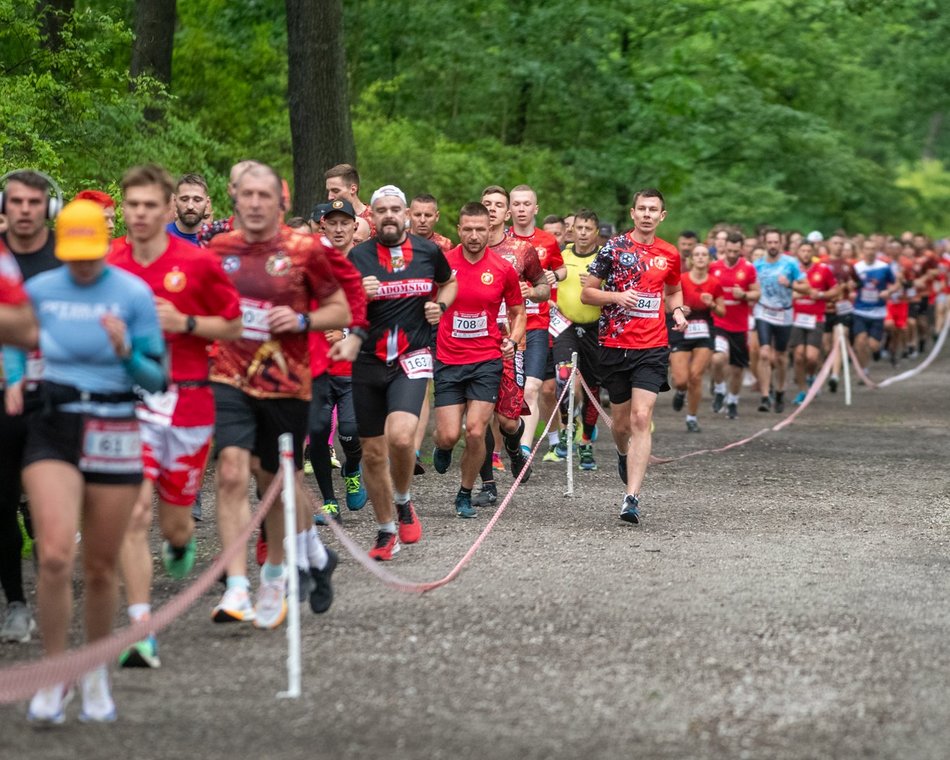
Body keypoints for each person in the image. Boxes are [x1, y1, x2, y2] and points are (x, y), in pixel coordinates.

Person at [13, 199, 165, 723]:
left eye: (90, 253)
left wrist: (125, 352)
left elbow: (156, 378)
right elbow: (12, 341)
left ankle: (95, 672)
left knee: (100, 566)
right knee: (54, 554)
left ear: (105, 244)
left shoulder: (132, 294)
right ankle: (55, 675)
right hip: (53, 423)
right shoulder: (39, 290)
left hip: (114, 426)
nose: (81, 264)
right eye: (72, 253)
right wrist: (14, 377)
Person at [108, 165, 242, 668]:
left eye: (149, 205)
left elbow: (231, 325)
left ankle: (180, 542)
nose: (140, 214)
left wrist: (184, 321)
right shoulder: (109, 263)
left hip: (188, 401)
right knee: (134, 511)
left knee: (176, 526)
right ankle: (141, 629)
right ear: (124, 207)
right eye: (132, 205)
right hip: (131, 402)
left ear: (167, 208)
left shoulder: (198, 262)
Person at [208, 163, 351, 628]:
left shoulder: (304, 251)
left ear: (280, 202)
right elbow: (205, 306)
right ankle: (236, 587)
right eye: (246, 195)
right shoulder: (219, 249)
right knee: (230, 472)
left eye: (263, 195)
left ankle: (275, 574)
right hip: (228, 377)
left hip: (285, 382)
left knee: (274, 484)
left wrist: (304, 320)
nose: (253, 203)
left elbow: (340, 307)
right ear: (235, 199)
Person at [348, 185, 456, 560]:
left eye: (396, 209)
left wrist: (440, 306)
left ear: (407, 214)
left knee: (400, 437)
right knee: (373, 455)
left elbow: (450, 282)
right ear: (372, 217)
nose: (390, 215)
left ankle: (404, 499)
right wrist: (359, 294)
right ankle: (384, 528)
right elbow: (338, 306)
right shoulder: (357, 257)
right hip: (366, 362)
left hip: (412, 357)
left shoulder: (428, 252)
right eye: (382, 210)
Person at [581, 188, 687, 525]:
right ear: (632, 213)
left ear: (662, 216)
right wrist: (617, 296)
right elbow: (587, 293)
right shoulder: (613, 248)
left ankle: (632, 498)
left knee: (643, 418)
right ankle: (622, 452)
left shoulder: (669, 253)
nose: (646, 214)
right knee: (622, 423)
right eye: (641, 209)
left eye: (653, 210)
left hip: (652, 347)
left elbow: (673, 290)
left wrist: (679, 311)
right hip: (614, 345)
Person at [0, 170, 63, 644]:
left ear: (48, 206)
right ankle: (17, 604)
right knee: (2, 502)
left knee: (49, 501)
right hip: (2, 393)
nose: (24, 209)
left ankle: (53, 574)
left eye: (33, 202)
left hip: (58, 392)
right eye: (15, 201)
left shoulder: (66, 256)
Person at [431, 203, 524, 518]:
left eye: (480, 229)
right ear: (459, 230)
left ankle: (465, 493)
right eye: (467, 229)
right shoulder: (443, 264)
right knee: (447, 434)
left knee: (475, 430)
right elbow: (424, 302)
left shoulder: (502, 268)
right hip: (447, 358)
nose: (473, 235)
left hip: (486, 360)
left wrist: (512, 339)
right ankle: (442, 447)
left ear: (491, 230)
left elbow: (517, 311)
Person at [472, 185, 546, 507]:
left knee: (507, 420)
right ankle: (487, 483)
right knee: (480, 416)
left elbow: (543, 285)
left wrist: (534, 293)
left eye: (498, 205)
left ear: (506, 213)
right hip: (473, 344)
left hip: (510, 343)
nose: (491, 209)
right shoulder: (464, 250)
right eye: (485, 203)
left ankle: (515, 450)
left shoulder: (521, 251)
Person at [306, 199, 370, 522]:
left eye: (346, 222)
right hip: (316, 364)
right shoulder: (311, 263)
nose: (339, 228)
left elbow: (375, 316)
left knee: (350, 432)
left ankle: (353, 467)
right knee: (317, 431)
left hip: (354, 368)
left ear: (355, 226)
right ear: (323, 226)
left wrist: (349, 336)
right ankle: (328, 500)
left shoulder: (366, 264)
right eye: (333, 223)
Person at [508, 185, 565, 458]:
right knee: (509, 392)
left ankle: (525, 450)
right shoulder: (499, 242)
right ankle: (503, 447)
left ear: (535, 208)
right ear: (509, 209)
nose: (521, 209)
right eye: (516, 204)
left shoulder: (547, 241)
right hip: (506, 327)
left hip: (537, 324)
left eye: (526, 204)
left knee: (533, 387)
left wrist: (556, 277)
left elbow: (560, 267)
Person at [552, 208, 603, 469]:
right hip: (565, 326)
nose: (582, 233)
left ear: (596, 232)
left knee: (593, 387)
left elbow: (617, 292)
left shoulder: (604, 259)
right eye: (579, 228)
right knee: (563, 376)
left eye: (588, 229)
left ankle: (585, 442)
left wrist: (600, 286)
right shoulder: (562, 256)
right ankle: (566, 425)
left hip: (595, 327)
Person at [669, 245, 725, 432]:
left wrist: (713, 304)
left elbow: (722, 312)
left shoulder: (715, 283)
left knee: (696, 376)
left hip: (703, 329)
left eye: (704, 255)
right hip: (681, 327)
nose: (700, 258)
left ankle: (692, 417)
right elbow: (665, 303)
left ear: (709, 260)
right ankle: (680, 391)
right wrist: (678, 309)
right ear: (691, 259)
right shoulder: (681, 280)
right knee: (681, 380)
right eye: (697, 255)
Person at [753, 229, 808, 413]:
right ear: (764, 243)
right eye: (769, 242)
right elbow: (751, 287)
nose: (773, 246)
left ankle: (780, 390)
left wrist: (790, 284)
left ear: (781, 243)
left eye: (776, 242)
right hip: (763, 312)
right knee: (764, 353)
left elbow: (806, 287)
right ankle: (764, 396)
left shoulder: (790, 263)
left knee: (781, 357)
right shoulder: (757, 265)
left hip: (784, 313)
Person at [709, 232, 760, 419]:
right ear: (724, 248)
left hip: (739, 325)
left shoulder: (748, 268)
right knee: (717, 359)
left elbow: (757, 294)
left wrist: (745, 295)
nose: (731, 254)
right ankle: (720, 389)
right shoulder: (714, 267)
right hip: (718, 321)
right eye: (729, 250)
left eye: (735, 251)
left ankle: (732, 402)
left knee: (738, 369)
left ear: (742, 249)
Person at [789, 241, 839, 404]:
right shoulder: (792, 269)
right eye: (802, 250)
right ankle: (802, 390)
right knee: (798, 356)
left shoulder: (822, 269)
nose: (805, 253)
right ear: (798, 252)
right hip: (796, 317)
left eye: (808, 251)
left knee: (811, 357)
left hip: (816, 318)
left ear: (813, 253)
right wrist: (790, 296)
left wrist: (822, 295)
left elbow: (836, 290)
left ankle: (811, 376)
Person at [852, 239, 899, 375]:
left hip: (878, 312)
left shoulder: (884, 267)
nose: (870, 251)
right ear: (863, 251)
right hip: (860, 310)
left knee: (872, 345)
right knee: (860, 341)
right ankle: (863, 369)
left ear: (876, 251)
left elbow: (897, 284)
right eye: (867, 248)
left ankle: (878, 347)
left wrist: (889, 291)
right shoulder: (856, 267)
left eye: (873, 249)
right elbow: (850, 284)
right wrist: (851, 289)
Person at [325, 163, 373, 233]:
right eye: (329, 191)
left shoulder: (374, 218)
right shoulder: (326, 218)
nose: (329, 197)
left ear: (353, 189)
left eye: (335, 191)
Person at [167, 173, 212, 245]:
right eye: (184, 199)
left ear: (207, 203)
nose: (190, 206)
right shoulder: (160, 237)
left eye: (197, 200)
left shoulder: (215, 240)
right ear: (175, 201)